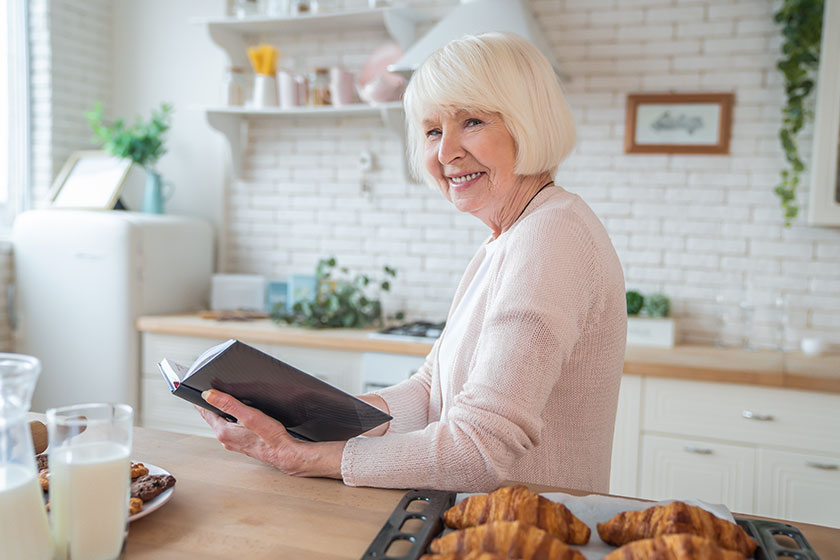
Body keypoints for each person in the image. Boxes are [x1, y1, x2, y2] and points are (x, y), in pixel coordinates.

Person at [198, 31, 627, 493]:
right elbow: (429, 393)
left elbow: (479, 451)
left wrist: (310, 456)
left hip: (528, 535)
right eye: (433, 131)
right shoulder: (509, 238)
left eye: (473, 122)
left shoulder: (551, 235)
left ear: (530, 122)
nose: (446, 154)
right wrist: (316, 414)